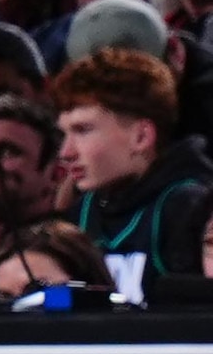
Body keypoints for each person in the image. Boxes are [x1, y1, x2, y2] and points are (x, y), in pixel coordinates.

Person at [54, 45, 213, 304]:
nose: (66, 152)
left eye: (82, 130)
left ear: (141, 136)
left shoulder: (188, 208)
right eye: (64, 133)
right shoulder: (80, 213)